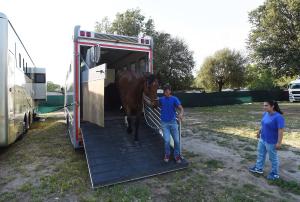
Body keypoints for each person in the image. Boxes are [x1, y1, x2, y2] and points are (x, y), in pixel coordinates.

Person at [249, 100, 285, 180]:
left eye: (266, 105)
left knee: (273, 158)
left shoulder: (278, 117)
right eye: (264, 105)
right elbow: (263, 124)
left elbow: (280, 130)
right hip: (263, 138)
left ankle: (275, 174)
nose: (264, 107)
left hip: (271, 141)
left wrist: (279, 142)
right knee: (261, 154)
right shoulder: (266, 114)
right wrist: (259, 132)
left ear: (272, 106)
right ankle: (259, 168)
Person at [159, 84, 184, 163]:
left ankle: (176, 155)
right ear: (164, 92)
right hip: (164, 123)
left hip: (173, 123)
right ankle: (167, 154)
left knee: (176, 141)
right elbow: (154, 104)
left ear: (170, 91)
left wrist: (180, 114)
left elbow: (181, 108)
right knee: (167, 140)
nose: (166, 92)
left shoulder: (174, 99)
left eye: (168, 91)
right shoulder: (161, 99)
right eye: (165, 91)